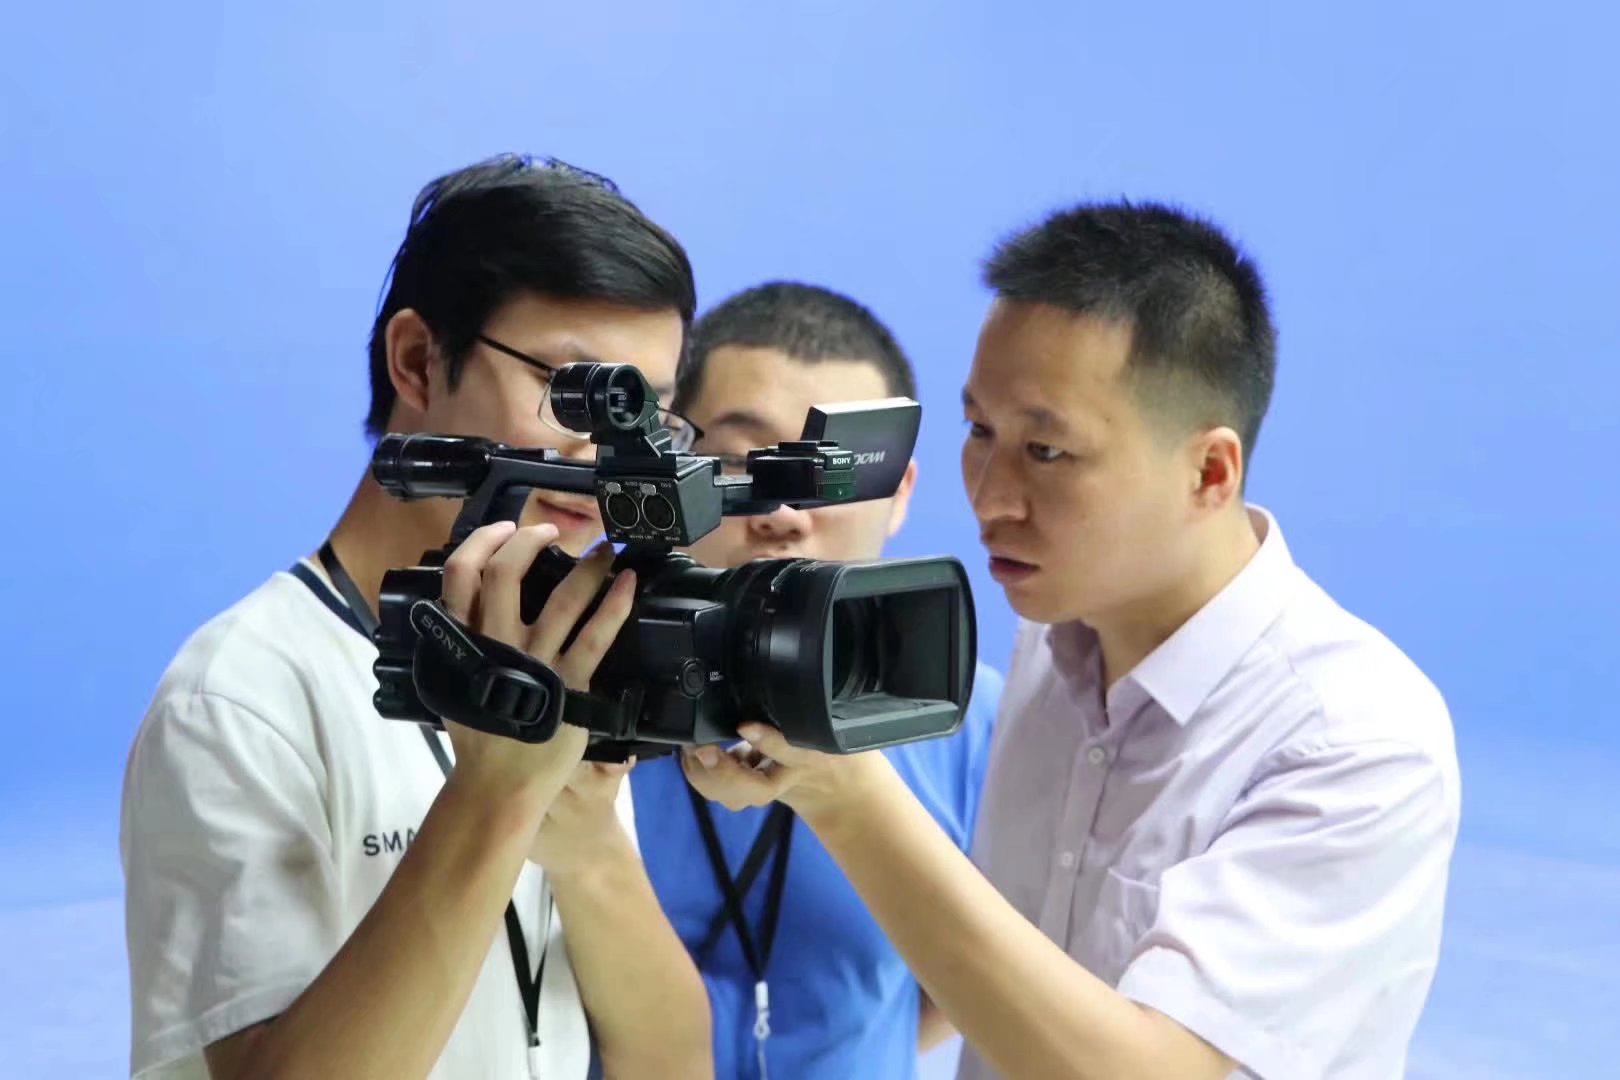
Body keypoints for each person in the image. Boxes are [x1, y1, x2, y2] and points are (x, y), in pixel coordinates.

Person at [679, 203, 1461, 1079]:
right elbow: (982, 979)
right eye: (980, 431)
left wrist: (847, 797)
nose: (991, 497)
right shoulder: (1049, 647)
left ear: (1209, 472)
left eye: (1047, 452)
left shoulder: (1353, 740)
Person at [119, 155, 712, 1080]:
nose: (606, 454)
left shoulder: (562, 650)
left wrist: (591, 846)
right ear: (417, 361)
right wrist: (496, 796)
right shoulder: (240, 696)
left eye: (643, 413)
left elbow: (670, 1063)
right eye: (574, 392)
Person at [628, 282, 1005, 1079]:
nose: (785, 512)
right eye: (741, 463)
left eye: (832, 474)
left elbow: (987, 982)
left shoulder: (971, 718)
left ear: (900, 496)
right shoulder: (582, 684)